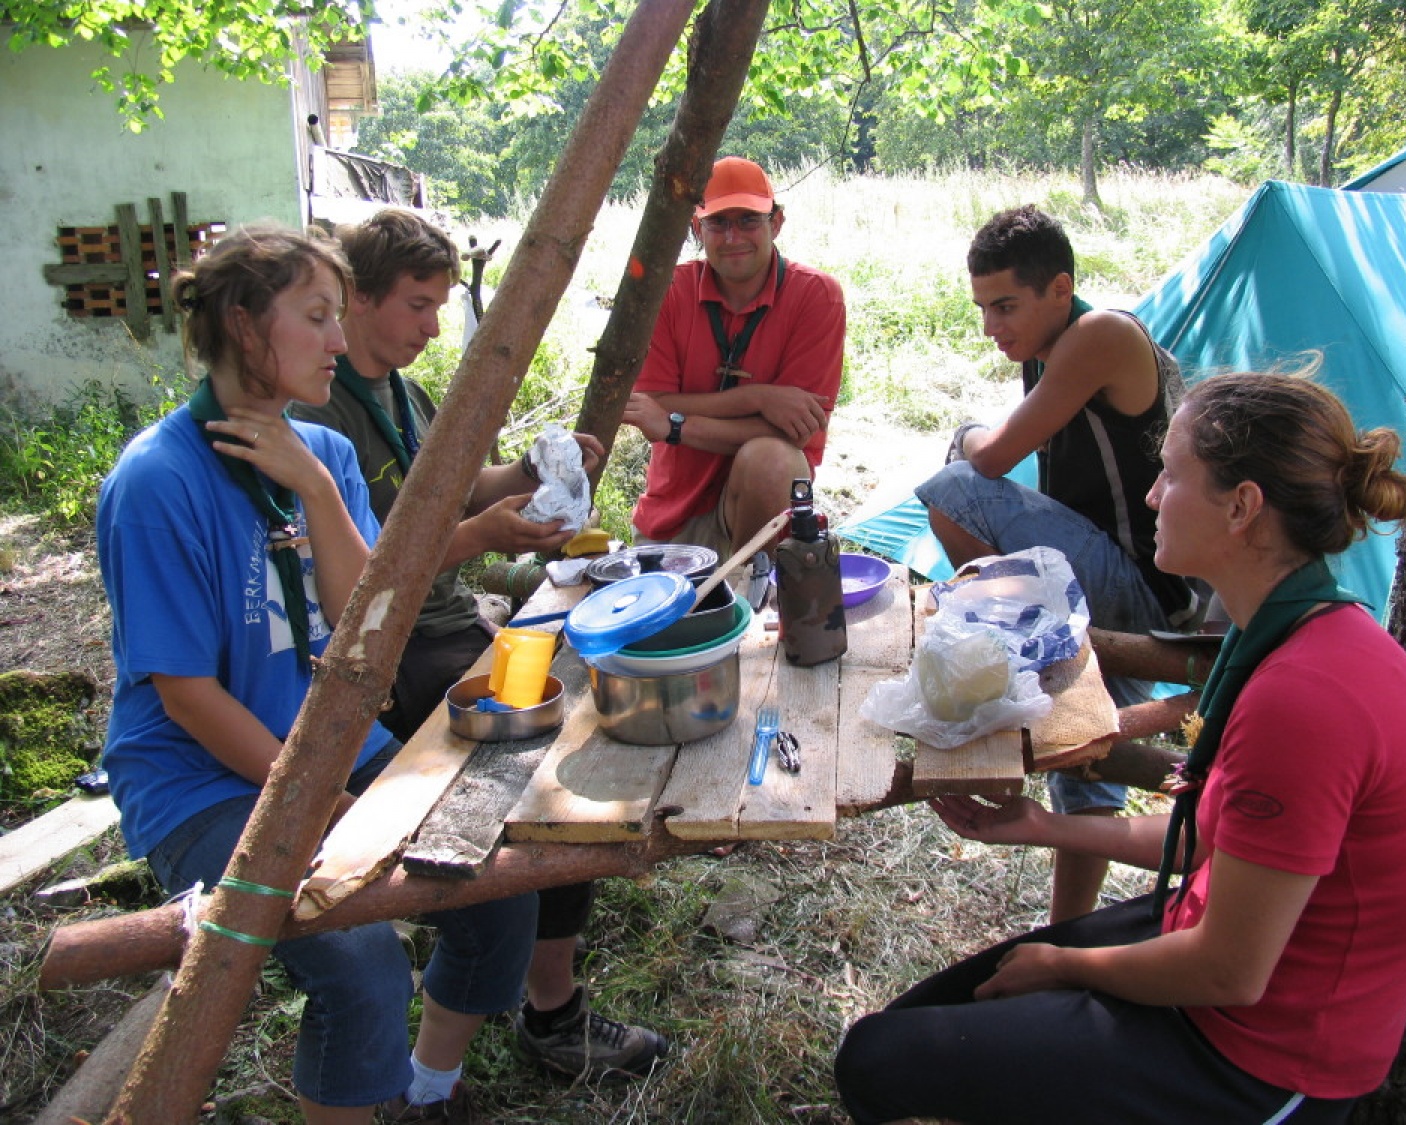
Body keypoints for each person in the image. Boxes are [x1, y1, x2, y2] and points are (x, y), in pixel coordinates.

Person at [835, 371, 1406, 1124]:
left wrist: (1067, 964)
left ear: (1242, 507)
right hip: (1207, 955)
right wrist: (1042, 825)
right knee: (921, 1020)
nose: (1151, 495)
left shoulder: (1305, 699)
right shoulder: (1299, 632)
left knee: (875, 1060)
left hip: (1256, 1056)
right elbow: (1214, 839)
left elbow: (1231, 971)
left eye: (1170, 474)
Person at [97, 224, 538, 1124]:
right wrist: (325, 804)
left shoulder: (324, 456)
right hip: (197, 781)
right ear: (242, 322)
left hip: (330, 743)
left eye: (339, 316)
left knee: (495, 883)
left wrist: (320, 490)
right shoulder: (156, 480)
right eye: (315, 316)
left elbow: (362, 625)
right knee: (362, 962)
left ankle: (427, 1093)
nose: (339, 340)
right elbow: (186, 697)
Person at [290, 208, 667, 1082]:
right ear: (357, 298)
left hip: (452, 621)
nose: (433, 327)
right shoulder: (323, 410)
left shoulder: (407, 395)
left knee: (577, 734)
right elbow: (363, 578)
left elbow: (463, 488)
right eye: (418, 304)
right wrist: (484, 536)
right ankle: (541, 1007)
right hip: (390, 647)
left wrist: (530, 473)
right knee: (542, 775)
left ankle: (541, 974)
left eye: (439, 305)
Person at [918, 204, 1201, 923]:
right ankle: (1067, 932)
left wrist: (966, 432)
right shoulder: (1047, 346)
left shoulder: (1100, 334)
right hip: (1134, 580)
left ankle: (1018, 646)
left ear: (1060, 288)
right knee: (1084, 757)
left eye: (1006, 305)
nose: (992, 326)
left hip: (1146, 581)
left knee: (956, 486)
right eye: (983, 308)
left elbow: (992, 458)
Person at [622, 156, 846, 558]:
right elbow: (648, 407)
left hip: (766, 506)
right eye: (718, 223)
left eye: (748, 220)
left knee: (771, 458)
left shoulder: (816, 296)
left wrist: (675, 425)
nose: (732, 237)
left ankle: (752, 583)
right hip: (673, 512)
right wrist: (758, 398)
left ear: (776, 223)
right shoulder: (668, 292)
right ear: (697, 228)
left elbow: (794, 433)